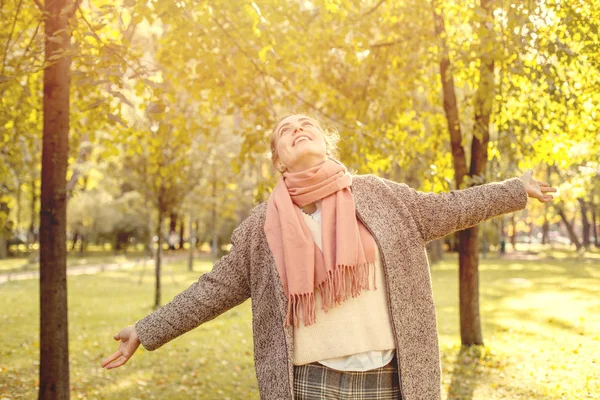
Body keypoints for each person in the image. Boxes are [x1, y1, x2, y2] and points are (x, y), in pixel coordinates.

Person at [101, 114, 557, 399]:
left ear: (326, 143)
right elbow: (215, 289)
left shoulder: (379, 195)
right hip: (308, 383)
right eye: (285, 132)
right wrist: (146, 329)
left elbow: (452, 206)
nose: (297, 130)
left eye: (306, 126)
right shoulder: (263, 226)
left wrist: (514, 190)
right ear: (279, 161)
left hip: (391, 377)